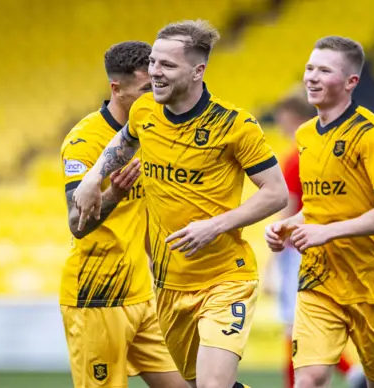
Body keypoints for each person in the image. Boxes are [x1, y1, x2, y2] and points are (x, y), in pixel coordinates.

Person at [73, 20, 288, 388]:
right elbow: (124, 142)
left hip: (226, 279)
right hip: (170, 284)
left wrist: (216, 225)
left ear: (197, 70)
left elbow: (276, 192)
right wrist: (94, 178)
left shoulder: (234, 126)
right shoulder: (144, 112)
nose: (155, 72)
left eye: (167, 65)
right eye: (153, 62)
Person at [264, 36, 374, 388]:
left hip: (372, 284)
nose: (312, 77)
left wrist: (328, 231)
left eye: (324, 70)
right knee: (309, 378)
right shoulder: (305, 136)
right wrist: (288, 226)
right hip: (319, 279)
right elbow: (322, 208)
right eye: (309, 68)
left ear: (351, 81)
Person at [60, 41, 186, 388]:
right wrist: (112, 193)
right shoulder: (84, 141)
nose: (155, 96)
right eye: (146, 89)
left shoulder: (150, 132)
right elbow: (77, 224)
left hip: (141, 297)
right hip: (97, 299)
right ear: (116, 88)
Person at [266, 95, 367, 388]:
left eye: (284, 121)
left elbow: (290, 209)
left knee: (294, 326)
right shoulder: (325, 154)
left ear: (295, 119)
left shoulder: (294, 157)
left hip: (296, 248)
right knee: (310, 327)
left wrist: (274, 262)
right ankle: (350, 373)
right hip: (323, 244)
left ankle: (321, 378)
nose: (283, 127)